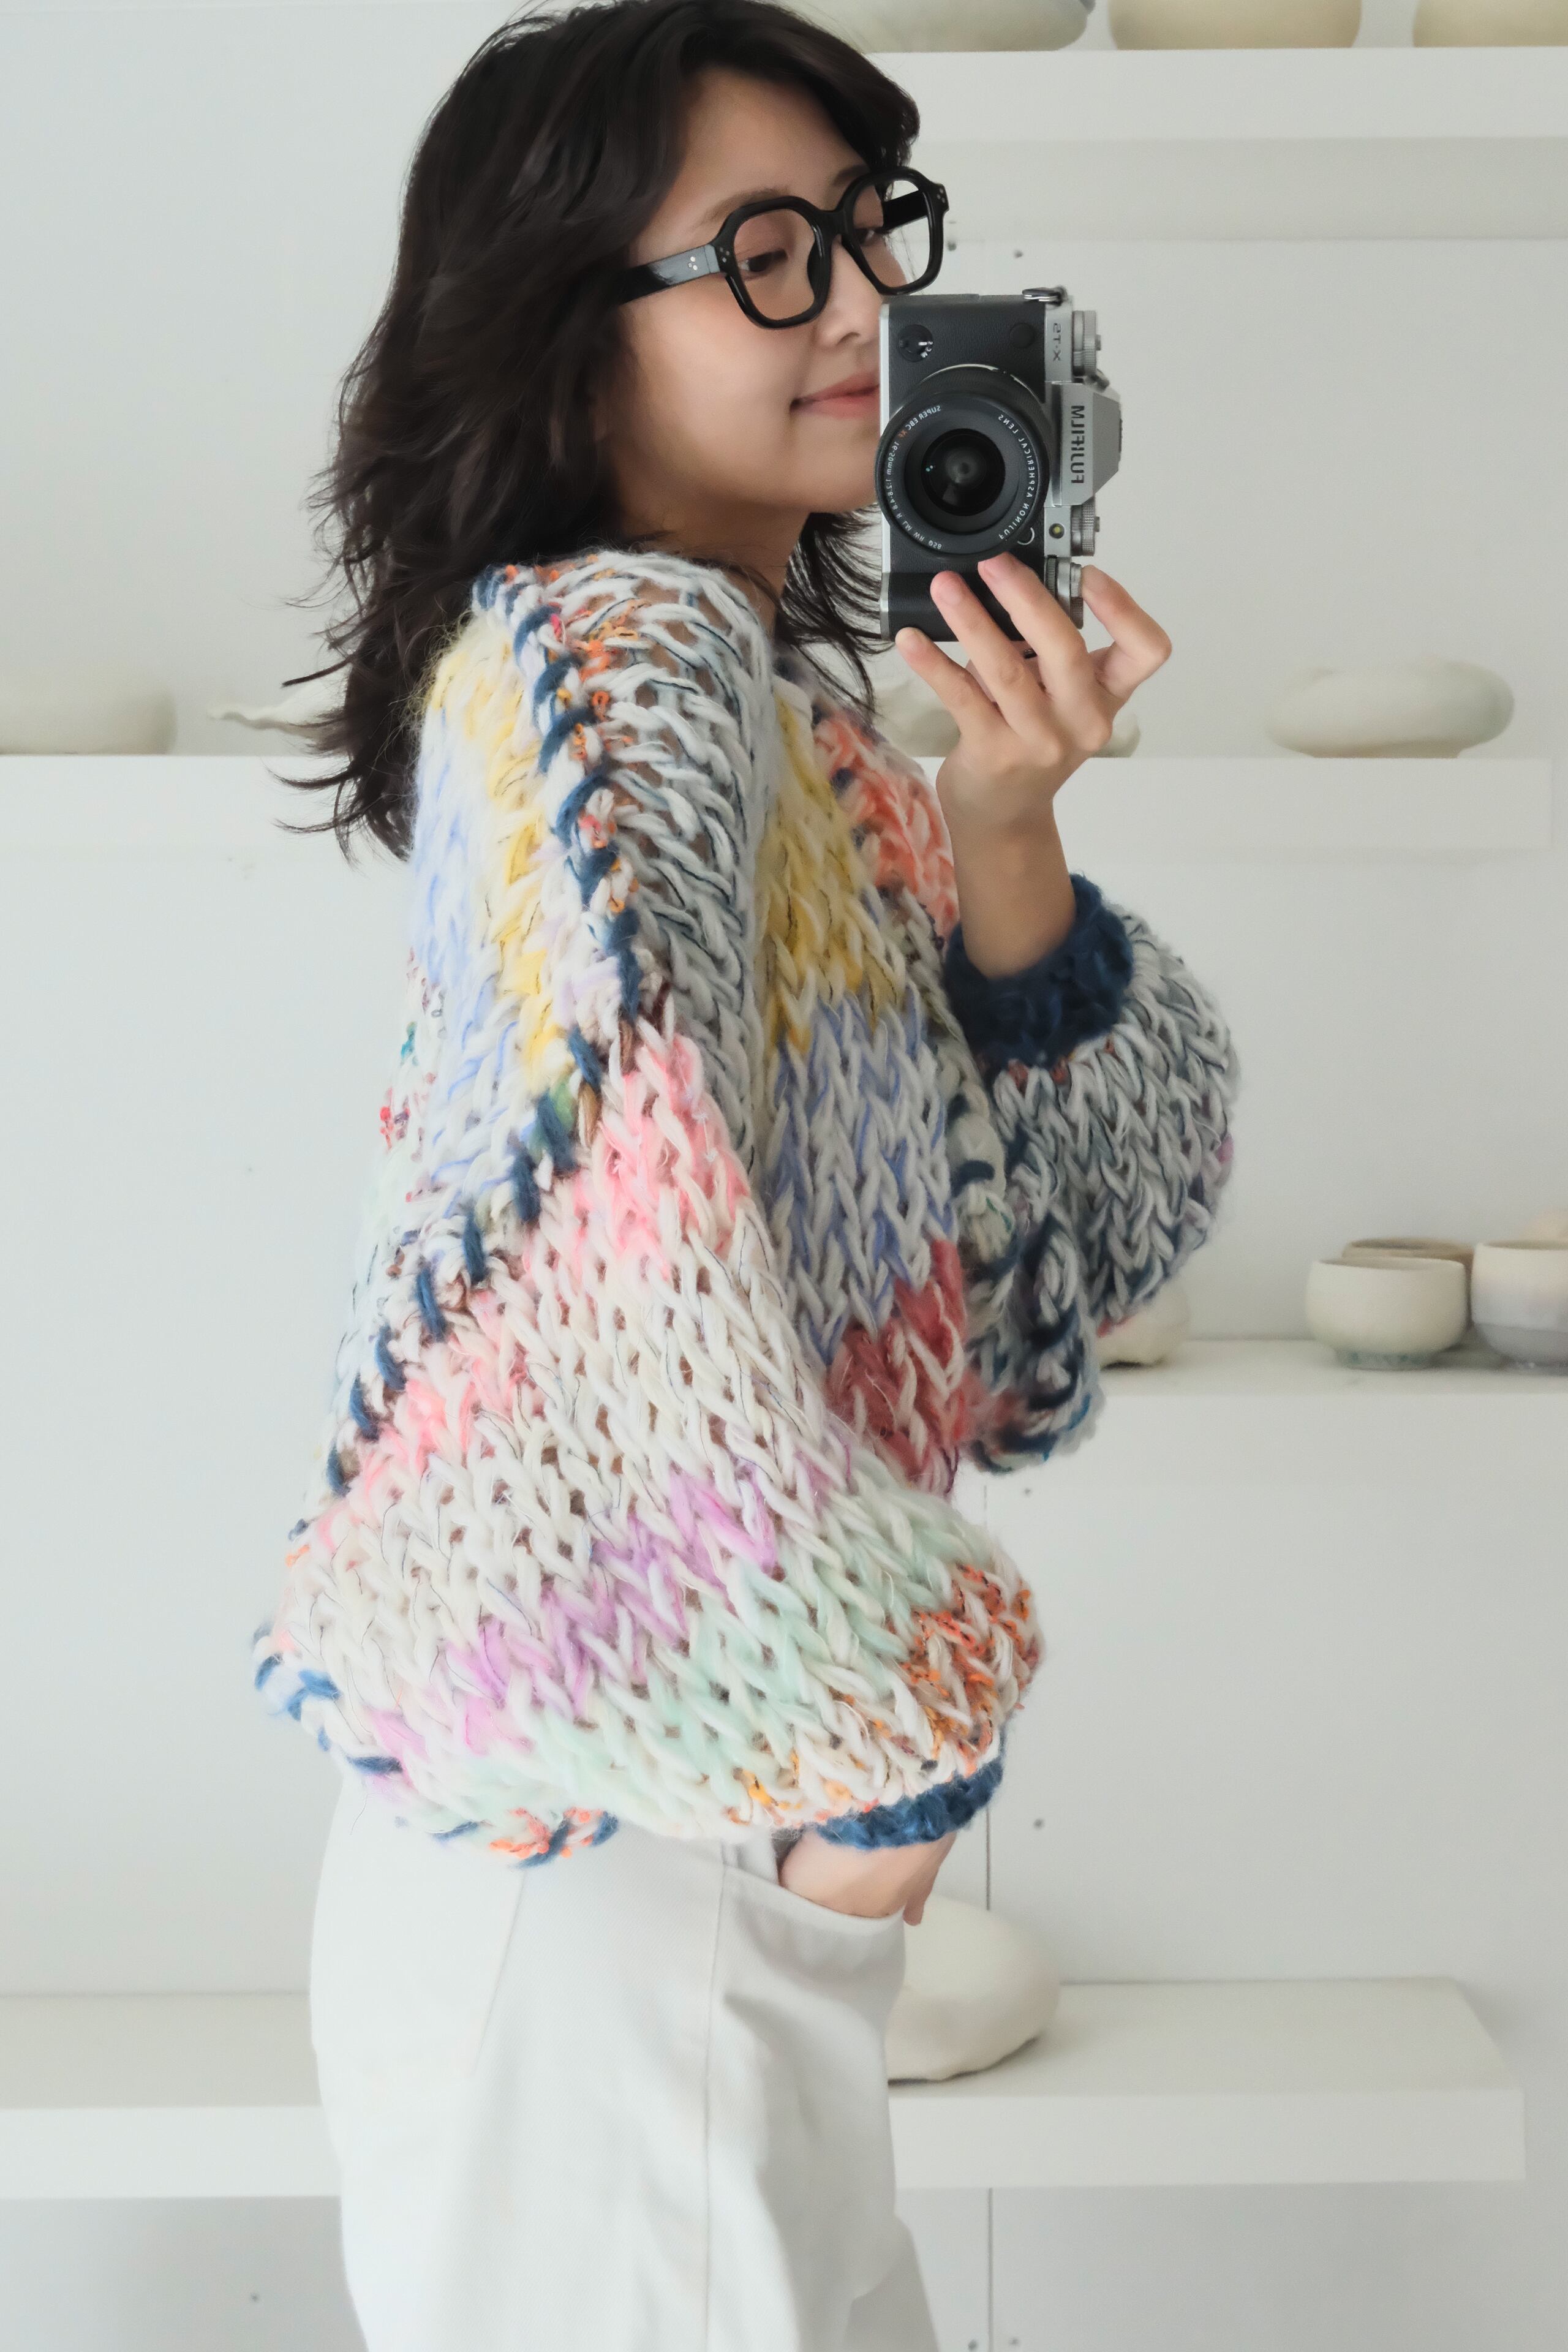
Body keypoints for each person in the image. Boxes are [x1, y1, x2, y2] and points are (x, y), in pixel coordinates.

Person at [249, 3, 1241, 2345]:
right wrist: (889, 1782)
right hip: (646, 1837)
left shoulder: (793, 723)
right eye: (769, 254)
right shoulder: (620, 666)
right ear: (566, 328)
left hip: (662, 1841)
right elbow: (601, 1255)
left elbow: (1075, 1265)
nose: (864, 305)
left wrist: (1006, 829)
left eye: (874, 232)